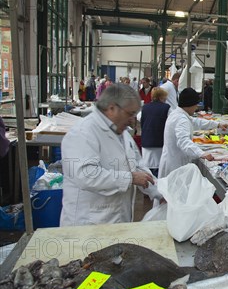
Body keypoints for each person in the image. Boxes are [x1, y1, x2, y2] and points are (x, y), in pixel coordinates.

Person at [60, 84, 160, 226]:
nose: (133, 120)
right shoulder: (83, 133)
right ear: (112, 108)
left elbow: (138, 166)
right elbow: (85, 175)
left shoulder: (123, 134)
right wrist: (129, 178)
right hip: (88, 225)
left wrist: (160, 192)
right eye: (130, 114)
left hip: (116, 221)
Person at [159, 88, 228, 178]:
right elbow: (183, 141)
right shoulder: (181, 119)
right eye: (196, 105)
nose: (196, 108)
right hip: (175, 166)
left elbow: (196, 122)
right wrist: (201, 153)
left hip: (173, 161)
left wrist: (217, 124)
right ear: (190, 104)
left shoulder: (178, 114)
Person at [140, 87, 171, 177]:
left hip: (146, 143)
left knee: (149, 171)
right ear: (161, 97)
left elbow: (141, 120)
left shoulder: (145, 107)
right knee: (159, 172)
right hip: (159, 143)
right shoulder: (166, 108)